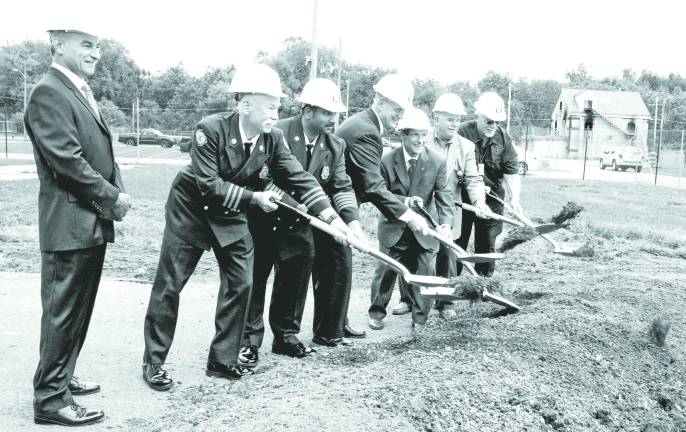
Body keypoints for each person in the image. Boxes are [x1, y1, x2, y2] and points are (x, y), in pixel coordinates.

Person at [142, 64, 350, 389]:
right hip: (192, 210)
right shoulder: (209, 129)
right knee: (170, 284)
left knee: (242, 283)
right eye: (270, 106)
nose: (276, 113)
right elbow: (209, 186)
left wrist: (333, 219)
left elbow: (301, 179)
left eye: (278, 107)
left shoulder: (274, 138)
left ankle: (222, 361)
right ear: (245, 105)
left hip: (231, 211)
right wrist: (256, 198)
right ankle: (153, 361)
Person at [25, 26, 131, 426]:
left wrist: (114, 192)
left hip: (86, 221)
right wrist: (111, 196)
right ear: (58, 45)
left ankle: (61, 379)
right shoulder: (49, 91)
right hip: (68, 223)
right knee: (62, 313)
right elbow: (67, 161)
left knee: (76, 312)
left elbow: (99, 152)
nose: (96, 53)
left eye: (99, 46)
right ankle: (50, 401)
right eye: (86, 45)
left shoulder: (76, 90)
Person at [240, 78, 364, 366]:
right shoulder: (276, 130)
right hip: (264, 220)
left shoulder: (336, 145)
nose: (334, 120)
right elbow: (263, 178)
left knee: (294, 280)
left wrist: (351, 222)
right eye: (327, 113)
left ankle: (285, 336)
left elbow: (342, 187)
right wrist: (301, 206)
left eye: (335, 114)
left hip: (299, 227)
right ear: (308, 111)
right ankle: (249, 341)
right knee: (255, 280)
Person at [367, 108, 453, 330]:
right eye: (415, 134)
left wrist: (445, 224)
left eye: (424, 134)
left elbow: (444, 196)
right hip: (394, 225)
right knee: (386, 270)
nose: (421, 140)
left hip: (424, 228)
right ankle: (376, 312)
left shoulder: (437, 161)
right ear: (402, 135)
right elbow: (378, 194)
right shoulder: (386, 161)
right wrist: (404, 202)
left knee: (426, 272)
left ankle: (420, 318)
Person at [336, 73, 433, 261]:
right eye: (398, 109)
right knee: (336, 283)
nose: (401, 115)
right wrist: (410, 216)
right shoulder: (367, 132)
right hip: (338, 213)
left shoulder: (364, 124)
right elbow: (372, 187)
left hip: (341, 211)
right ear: (381, 103)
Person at [422, 93, 490, 317]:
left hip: (449, 208)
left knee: (448, 255)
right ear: (436, 118)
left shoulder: (466, 147)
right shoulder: (422, 140)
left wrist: (479, 201)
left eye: (457, 119)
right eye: (449, 118)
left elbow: (473, 179)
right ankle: (410, 299)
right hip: (422, 207)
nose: (454, 124)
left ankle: (446, 302)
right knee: (418, 254)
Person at [457, 92, 522, 277]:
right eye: (489, 121)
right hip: (462, 195)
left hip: (492, 197)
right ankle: (451, 285)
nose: (493, 126)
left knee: (487, 242)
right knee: (458, 240)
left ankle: (483, 285)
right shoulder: (462, 132)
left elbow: (512, 174)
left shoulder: (504, 139)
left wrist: (514, 197)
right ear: (477, 116)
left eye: (497, 122)